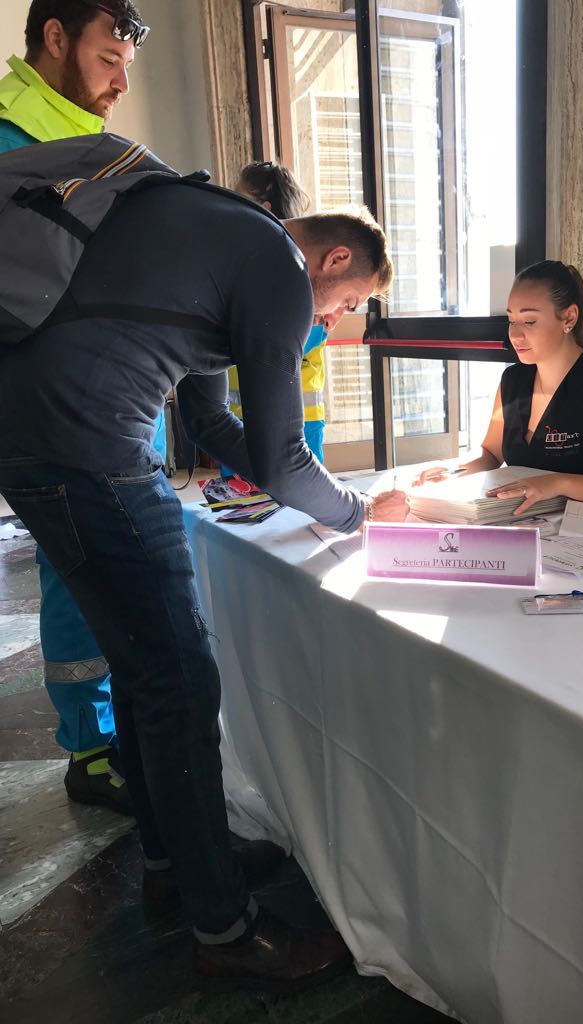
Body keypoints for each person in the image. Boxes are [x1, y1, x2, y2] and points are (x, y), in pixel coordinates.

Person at [0, 179, 407, 986]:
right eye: (346, 303)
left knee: (144, 670)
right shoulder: (278, 266)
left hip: (32, 436)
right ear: (333, 260)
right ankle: (226, 931)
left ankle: (173, 861)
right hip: (89, 446)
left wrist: (309, 494)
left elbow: (209, 421)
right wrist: (360, 513)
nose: (330, 322)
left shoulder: (223, 231)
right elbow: (283, 457)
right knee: (182, 683)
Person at [0, 0, 157, 814]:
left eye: (127, 63)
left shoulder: (90, 147)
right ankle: (93, 750)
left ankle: (113, 737)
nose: (121, 82)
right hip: (56, 410)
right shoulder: (14, 143)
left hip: (106, 405)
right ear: (55, 39)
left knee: (105, 574)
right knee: (79, 572)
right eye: (108, 59)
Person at [416, 260, 583, 513]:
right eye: (511, 320)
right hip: (535, 523)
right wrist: (453, 471)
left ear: (569, 318)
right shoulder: (512, 380)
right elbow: (491, 454)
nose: (515, 335)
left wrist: (558, 483)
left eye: (529, 322)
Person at [234, 160, 336, 462]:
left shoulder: (295, 266)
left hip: (292, 418)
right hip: (245, 416)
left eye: (238, 197)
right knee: (247, 493)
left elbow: (304, 336)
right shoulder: (251, 260)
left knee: (298, 487)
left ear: (264, 208)